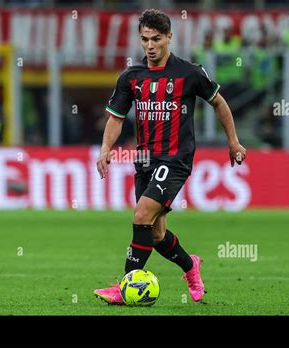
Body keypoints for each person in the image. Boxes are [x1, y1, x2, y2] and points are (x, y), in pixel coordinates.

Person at [94, 9, 246, 305]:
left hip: (175, 159)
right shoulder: (131, 77)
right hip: (146, 160)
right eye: (145, 40)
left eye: (156, 39)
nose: (150, 46)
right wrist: (105, 149)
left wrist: (233, 142)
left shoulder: (189, 73)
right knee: (155, 233)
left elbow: (218, 102)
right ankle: (191, 266)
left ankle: (125, 286)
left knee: (141, 215)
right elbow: (116, 118)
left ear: (169, 38)